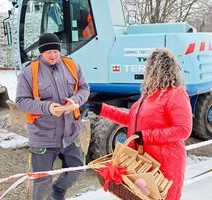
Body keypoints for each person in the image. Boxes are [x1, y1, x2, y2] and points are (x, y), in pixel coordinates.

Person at [90, 48, 192, 200]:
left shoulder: (175, 94)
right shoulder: (149, 95)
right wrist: (103, 110)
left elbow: (183, 130)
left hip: (166, 164)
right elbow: (133, 120)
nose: (146, 73)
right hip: (144, 161)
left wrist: (147, 136)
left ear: (158, 70)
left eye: (149, 68)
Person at [15, 33, 90, 200]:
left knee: (76, 169)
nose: (53, 55)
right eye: (48, 52)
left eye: (56, 51)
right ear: (41, 52)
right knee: (42, 183)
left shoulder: (72, 66)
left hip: (70, 134)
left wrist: (76, 101)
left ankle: (57, 193)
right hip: (43, 136)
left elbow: (84, 88)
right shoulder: (29, 72)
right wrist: (47, 107)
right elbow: (21, 101)